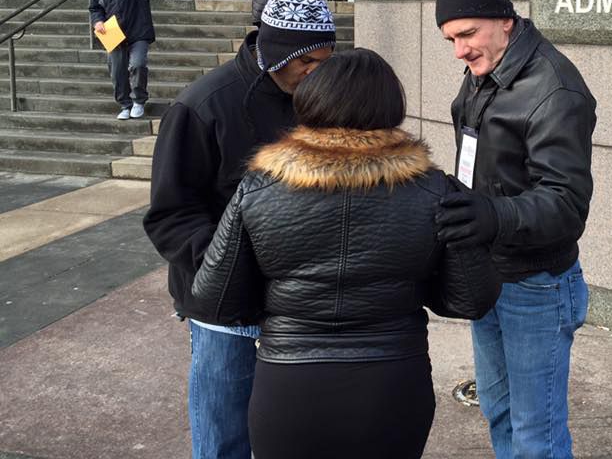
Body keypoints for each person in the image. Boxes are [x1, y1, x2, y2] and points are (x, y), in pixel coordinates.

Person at [191, 48, 501, 459]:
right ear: (391, 106)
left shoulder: (259, 190)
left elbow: (214, 301)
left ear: (311, 99)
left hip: (288, 384)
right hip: (393, 381)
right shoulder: (434, 192)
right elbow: (470, 299)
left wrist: (280, 306)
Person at [143, 0, 336, 459]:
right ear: (275, 53)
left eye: (326, 61)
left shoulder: (319, 97)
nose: (318, 73)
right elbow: (170, 215)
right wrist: (227, 265)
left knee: (295, 437)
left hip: (298, 300)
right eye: (307, 62)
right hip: (224, 309)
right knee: (224, 437)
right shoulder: (201, 107)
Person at [434, 0, 597, 459]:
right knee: (500, 413)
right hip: (491, 271)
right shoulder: (486, 69)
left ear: (503, 19)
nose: (460, 50)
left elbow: (567, 204)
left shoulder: (554, 87)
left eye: (467, 34)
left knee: (536, 434)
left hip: (537, 287)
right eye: (451, 40)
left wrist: (492, 215)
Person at [88, 0, 154, 120]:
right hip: (113, 33)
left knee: (137, 64)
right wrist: (97, 22)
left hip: (138, 31)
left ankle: (139, 100)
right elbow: (95, 8)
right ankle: (125, 104)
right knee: (117, 70)